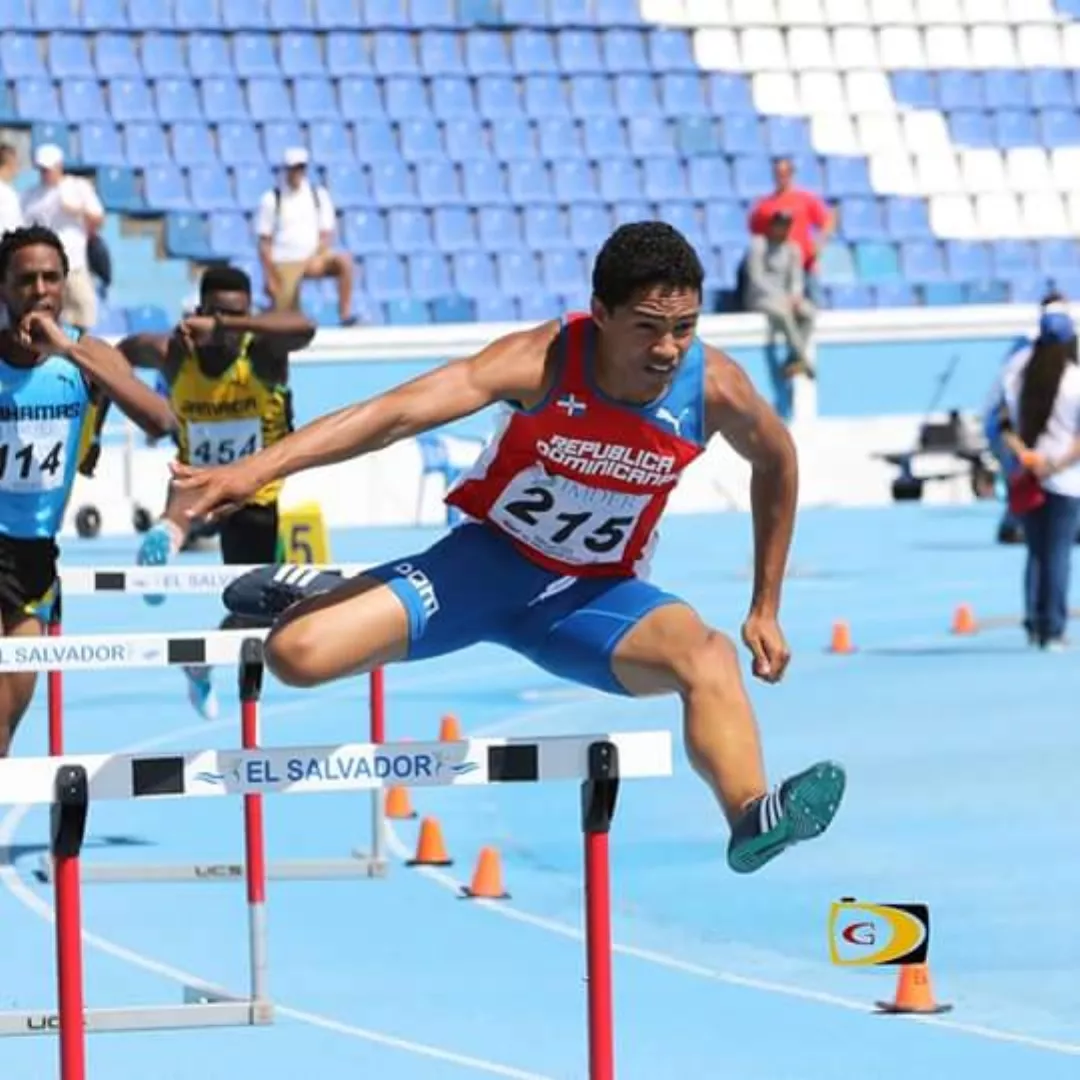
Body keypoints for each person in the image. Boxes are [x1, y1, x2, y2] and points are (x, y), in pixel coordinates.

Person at [172, 223, 846, 875]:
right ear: (600, 314)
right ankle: (322, 592)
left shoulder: (714, 388)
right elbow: (393, 414)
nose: (668, 349)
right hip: (484, 568)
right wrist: (255, 470)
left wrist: (765, 604)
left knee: (707, 656)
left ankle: (751, 814)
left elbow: (778, 462)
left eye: (685, 326)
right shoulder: (541, 361)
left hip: (595, 596)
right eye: (647, 326)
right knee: (296, 656)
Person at [0, 226, 176, 757]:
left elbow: (159, 418)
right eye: (25, 279)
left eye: (51, 277)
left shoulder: (86, 356)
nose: (39, 290)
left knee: (7, 719)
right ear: (3, 288)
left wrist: (67, 352)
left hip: (34, 555)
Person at [115, 264, 316, 719]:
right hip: (198, 478)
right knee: (190, 488)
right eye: (220, 314)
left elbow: (305, 327)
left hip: (253, 491)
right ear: (200, 310)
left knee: (258, 611)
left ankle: (199, 659)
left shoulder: (263, 353)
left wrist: (230, 326)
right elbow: (121, 352)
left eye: (239, 315)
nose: (228, 327)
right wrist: (130, 398)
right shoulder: (175, 351)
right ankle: (167, 536)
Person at [992, 305, 1080, 650]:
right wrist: (1055, 464)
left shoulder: (1018, 374)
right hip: (1065, 477)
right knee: (1058, 553)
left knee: (1036, 553)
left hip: (1026, 474)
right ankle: (1053, 626)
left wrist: (1026, 458)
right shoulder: (1074, 380)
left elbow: (1002, 424)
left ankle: (1034, 620)